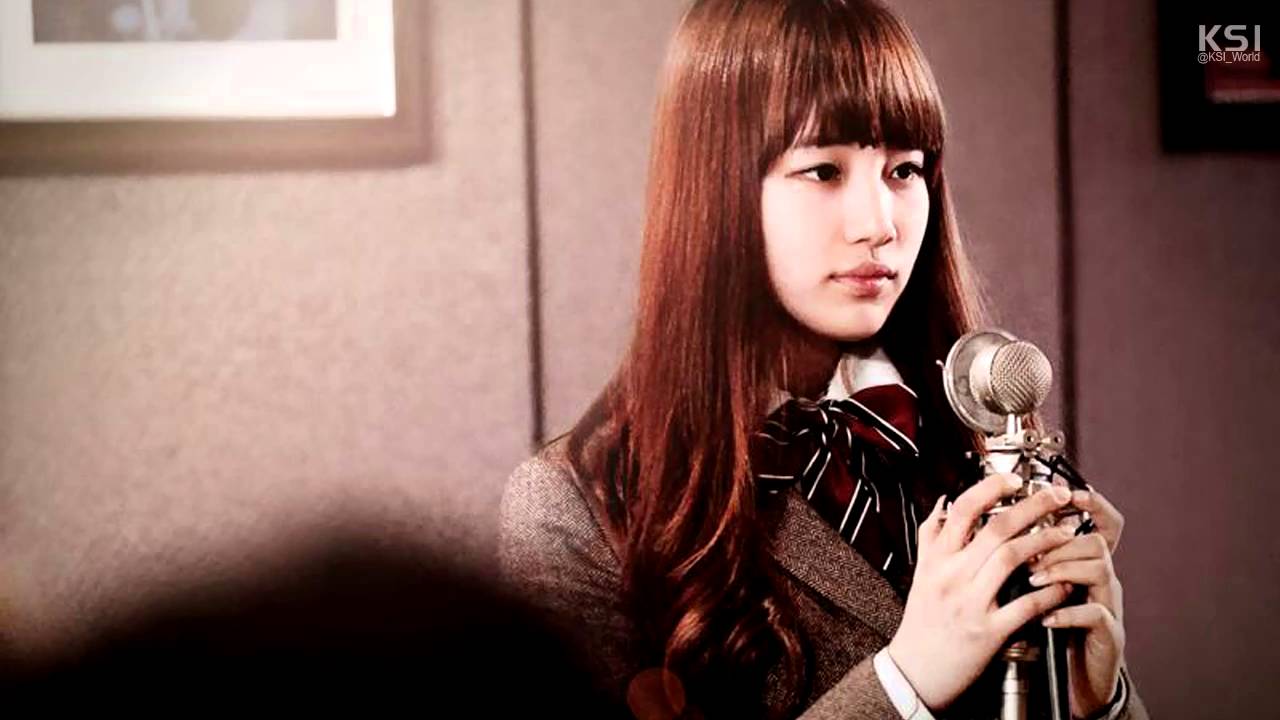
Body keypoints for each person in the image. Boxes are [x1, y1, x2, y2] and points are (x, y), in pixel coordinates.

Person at [499, 1, 1148, 717]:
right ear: (716, 189)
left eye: (904, 169)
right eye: (822, 171)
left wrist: (1098, 700)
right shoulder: (574, 509)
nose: (878, 225)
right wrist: (903, 682)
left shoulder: (987, 448)